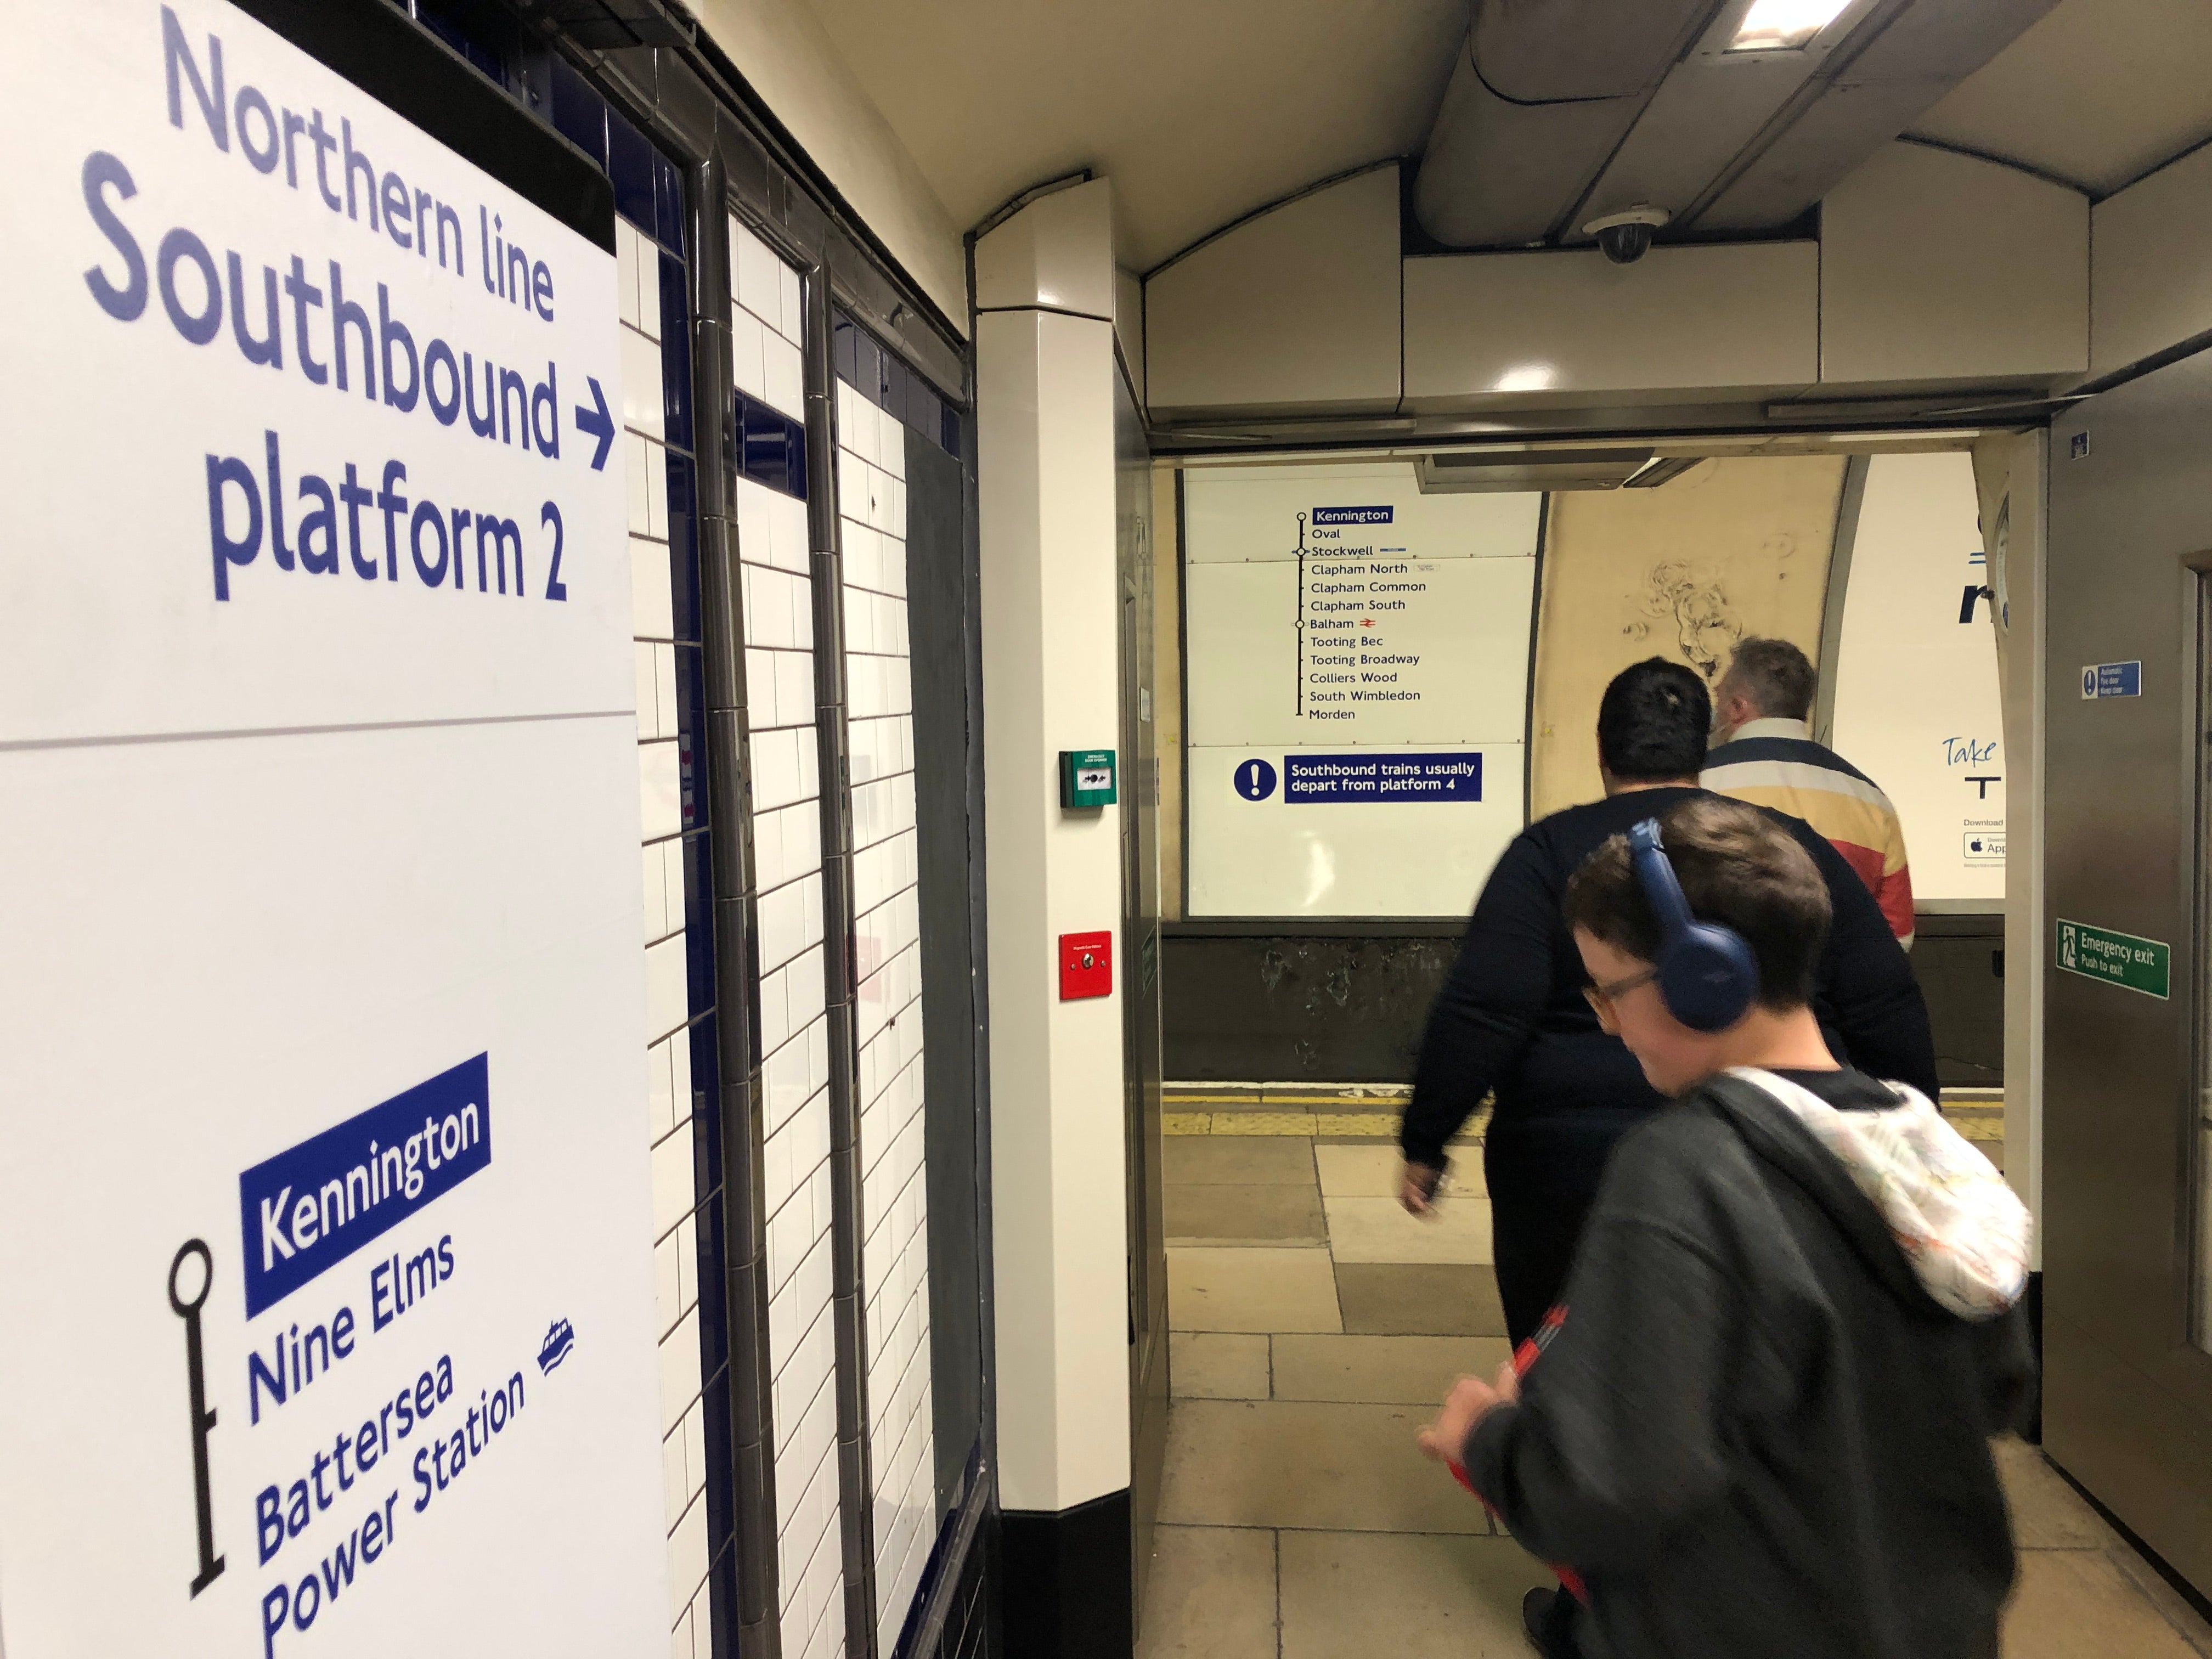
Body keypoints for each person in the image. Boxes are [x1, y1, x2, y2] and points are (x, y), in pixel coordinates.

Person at [1418, 795, 2033, 1659]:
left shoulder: (1685, 1170)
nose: (1605, 1019)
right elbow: (2001, 1385)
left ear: (1706, 980)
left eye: (1612, 990)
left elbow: (1604, 1492)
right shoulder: (1926, 1148)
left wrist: (1485, 1437)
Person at [1397, 658, 1936, 1351]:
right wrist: (1919, 1137)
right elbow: (1884, 1001)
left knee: (1564, 1358)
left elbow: (1485, 1008)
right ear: (1703, 751)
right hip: (1770, 1146)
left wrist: (1426, 1141)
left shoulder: (1546, 854)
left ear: (1601, 752)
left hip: (1566, 1166)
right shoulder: (1780, 845)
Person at [1702, 635, 1916, 946]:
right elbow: (1899, 938)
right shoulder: (1872, 801)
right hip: (1836, 991)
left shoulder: (1698, 783)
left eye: (1719, 698)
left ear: (1737, 708)